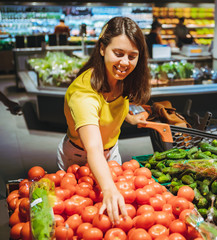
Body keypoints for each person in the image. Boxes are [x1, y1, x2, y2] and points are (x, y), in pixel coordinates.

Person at [56, 17, 151, 224]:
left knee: (112, 218)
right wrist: (108, 187)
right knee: (83, 216)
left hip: (111, 151)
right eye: (118, 54)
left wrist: (131, 119)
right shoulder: (84, 93)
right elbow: (94, 149)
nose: (125, 62)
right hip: (80, 156)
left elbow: (112, 105)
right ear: (102, 49)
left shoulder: (121, 80)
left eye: (132, 56)